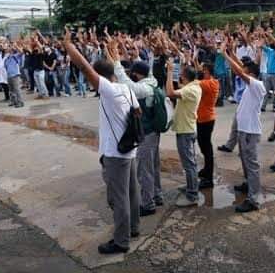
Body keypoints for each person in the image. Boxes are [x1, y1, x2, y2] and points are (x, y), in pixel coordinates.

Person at [63, 28, 140, 255]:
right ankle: (133, 228)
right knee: (132, 193)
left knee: (119, 199)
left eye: (94, 80)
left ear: (101, 78)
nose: (91, 83)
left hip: (116, 154)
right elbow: (138, 113)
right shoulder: (126, 89)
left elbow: (85, 68)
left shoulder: (109, 90)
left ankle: (121, 241)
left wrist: (69, 46)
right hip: (130, 149)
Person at [108, 41, 161, 217]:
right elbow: (142, 66)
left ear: (138, 75)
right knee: (153, 165)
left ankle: (148, 204)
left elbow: (124, 81)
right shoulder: (151, 80)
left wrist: (116, 61)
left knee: (144, 170)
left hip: (147, 133)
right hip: (154, 131)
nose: (132, 75)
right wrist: (126, 51)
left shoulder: (142, 89)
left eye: (134, 73)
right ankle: (157, 195)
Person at [222, 38, 266, 212]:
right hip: (243, 129)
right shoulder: (252, 85)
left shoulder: (257, 85)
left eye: (245, 69)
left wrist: (224, 55)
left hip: (250, 131)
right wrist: (231, 51)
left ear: (251, 73)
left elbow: (240, 71)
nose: (241, 70)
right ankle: (249, 184)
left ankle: (253, 199)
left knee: (252, 163)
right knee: (245, 160)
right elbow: (240, 67)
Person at [165, 58, 202, 207]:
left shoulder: (191, 90)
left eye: (180, 73)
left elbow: (170, 92)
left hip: (186, 131)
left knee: (189, 164)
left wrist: (169, 72)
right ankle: (190, 186)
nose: (179, 75)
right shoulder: (193, 86)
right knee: (189, 162)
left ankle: (192, 195)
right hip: (187, 128)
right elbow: (179, 88)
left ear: (185, 76)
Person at [195, 62, 219, 190]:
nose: (202, 72)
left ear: (208, 71)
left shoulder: (207, 83)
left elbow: (192, 83)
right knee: (204, 146)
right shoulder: (213, 81)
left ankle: (208, 179)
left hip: (205, 120)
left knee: (206, 148)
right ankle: (206, 170)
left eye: (204, 70)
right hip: (205, 118)